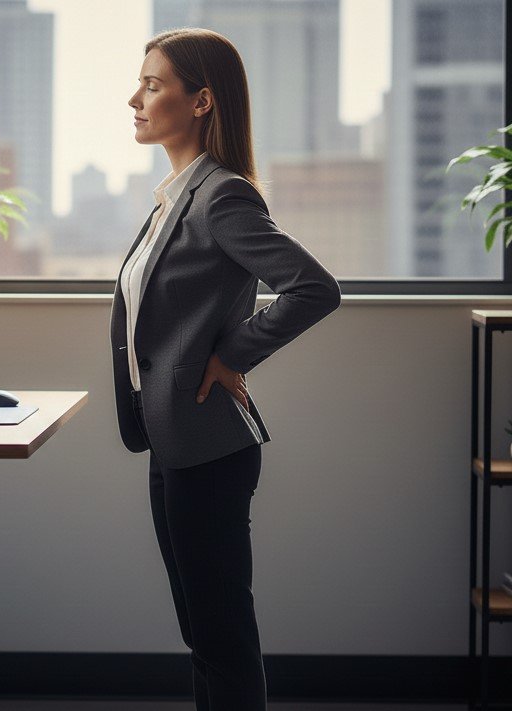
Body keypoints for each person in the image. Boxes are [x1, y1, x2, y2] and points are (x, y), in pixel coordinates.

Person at [111, 27, 341, 711]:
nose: (136, 97)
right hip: (175, 437)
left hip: (209, 447)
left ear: (202, 99)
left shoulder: (220, 196)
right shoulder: (174, 196)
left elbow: (314, 287)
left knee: (222, 637)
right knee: (202, 633)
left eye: (153, 84)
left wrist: (232, 353)